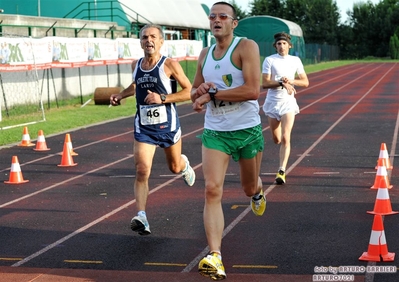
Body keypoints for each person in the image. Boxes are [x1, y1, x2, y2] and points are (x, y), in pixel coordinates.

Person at [191, 2, 265, 280]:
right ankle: (215, 256)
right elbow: (194, 91)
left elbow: (253, 90)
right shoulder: (204, 54)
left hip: (246, 130)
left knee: (248, 188)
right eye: (212, 16)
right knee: (212, 189)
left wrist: (211, 96)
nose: (216, 20)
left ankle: (258, 190)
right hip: (216, 132)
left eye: (223, 16)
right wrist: (198, 93)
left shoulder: (246, 47)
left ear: (234, 23)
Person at [110, 24, 196, 236]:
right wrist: (121, 95)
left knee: (174, 167)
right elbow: (136, 85)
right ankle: (142, 216)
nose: (148, 40)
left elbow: (190, 92)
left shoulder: (169, 65)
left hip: (168, 126)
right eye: (144, 37)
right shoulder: (136, 64)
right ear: (140, 42)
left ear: (160, 41)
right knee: (141, 170)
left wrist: (163, 98)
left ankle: (184, 165)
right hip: (144, 127)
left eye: (153, 37)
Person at [261, 32, 309, 185]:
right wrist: (281, 82)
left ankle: (281, 170)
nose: (281, 46)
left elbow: (305, 82)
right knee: (277, 139)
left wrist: (291, 80)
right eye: (279, 44)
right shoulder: (269, 60)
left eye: (284, 43)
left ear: (289, 45)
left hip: (288, 103)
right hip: (272, 103)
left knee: (286, 137)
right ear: (275, 46)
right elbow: (265, 83)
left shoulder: (295, 60)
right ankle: (278, 130)